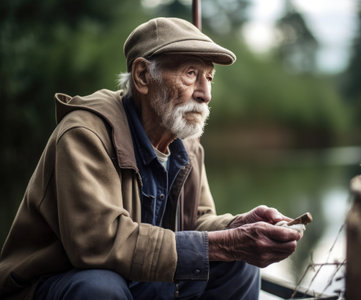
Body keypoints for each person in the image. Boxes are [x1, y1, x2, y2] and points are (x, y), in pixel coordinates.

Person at [0, 17, 302, 300]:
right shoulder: (85, 134)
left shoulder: (188, 143)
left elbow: (196, 221)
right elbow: (97, 243)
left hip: (138, 274)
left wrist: (238, 227)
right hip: (55, 281)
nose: (206, 93)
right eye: (191, 74)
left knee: (241, 263)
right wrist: (226, 242)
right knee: (100, 288)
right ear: (143, 76)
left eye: (209, 77)